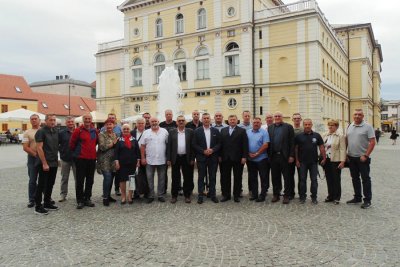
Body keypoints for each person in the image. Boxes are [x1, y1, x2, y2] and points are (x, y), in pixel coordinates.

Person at [346, 109, 376, 209]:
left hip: (362, 158)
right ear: (352, 116)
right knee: (355, 178)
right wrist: (345, 154)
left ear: (363, 116)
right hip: (351, 157)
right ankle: (357, 197)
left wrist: (366, 155)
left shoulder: (368, 126)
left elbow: (372, 142)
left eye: (359, 115)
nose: (357, 116)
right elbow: (347, 140)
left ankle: (367, 200)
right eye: (355, 114)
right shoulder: (350, 125)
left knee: (365, 179)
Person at [70, 113, 98, 209]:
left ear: (91, 120)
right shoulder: (78, 130)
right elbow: (72, 144)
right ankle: (80, 200)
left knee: (90, 180)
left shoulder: (95, 131)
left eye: (89, 119)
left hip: (92, 159)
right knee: (80, 180)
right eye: (85, 118)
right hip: (81, 159)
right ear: (83, 120)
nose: (87, 120)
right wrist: (76, 155)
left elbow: (96, 142)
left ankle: (87, 198)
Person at [192, 113, 221, 204]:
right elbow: (194, 144)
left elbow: (219, 144)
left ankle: (212, 195)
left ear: (210, 119)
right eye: (204, 118)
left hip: (213, 157)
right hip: (201, 157)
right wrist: (203, 151)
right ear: (202, 119)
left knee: (212, 177)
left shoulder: (215, 131)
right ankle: (200, 195)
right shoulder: (197, 131)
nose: (206, 120)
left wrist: (212, 150)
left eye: (208, 118)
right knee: (201, 177)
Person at [295, 119, 326, 204]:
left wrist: (324, 158)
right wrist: (297, 160)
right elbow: (296, 149)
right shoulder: (299, 136)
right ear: (303, 125)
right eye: (306, 124)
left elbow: (321, 147)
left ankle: (314, 197)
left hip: (313, 162)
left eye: (309, 124)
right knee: (302, 180)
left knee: (314, 180)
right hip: (302, 162)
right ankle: (302, 197)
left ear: (312, 125)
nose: (307, 126)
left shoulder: (317, 135)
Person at [34, 114, 59, 214]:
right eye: (50, 120)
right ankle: (38, 206)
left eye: (54, 120)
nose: (53, 122)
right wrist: (44, 163)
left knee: (50, 184)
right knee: (41, 184)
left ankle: (47, 203)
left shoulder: (55, 131)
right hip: (44, 162)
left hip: (54, 162)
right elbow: (39, 148)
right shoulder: (41, 131)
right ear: (46, 121)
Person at [219, 115, 248, 203]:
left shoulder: (242, 131)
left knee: (238, 177)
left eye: (234, 119)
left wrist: (244, 156)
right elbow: (220, 145)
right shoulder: (223, 130)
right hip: (225, 158)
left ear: (237, 121)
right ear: (228, 121)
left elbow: (245, 145)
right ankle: (226, 195)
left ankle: (236, 195)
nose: (232, 121)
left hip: (238, 158)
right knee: (225, 177)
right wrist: (219, 156)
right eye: (230, 119)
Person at [268, 111, 295, 204]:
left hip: (285, 156)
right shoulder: (270, 127)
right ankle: (276, 194)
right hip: (273, 156)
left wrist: (291, 155)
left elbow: (292, 143)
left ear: (282, 117)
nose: (277, 117)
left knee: (287, 176)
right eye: (276, 116)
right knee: (275, 176)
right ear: (274, 117)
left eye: (279, 116)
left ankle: (286, 195)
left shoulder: (288, 127)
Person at [167, 115, 195, 203]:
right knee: (175, 177)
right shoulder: (172, 132)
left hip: (186, 157)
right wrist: (168, 159)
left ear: (185, 122)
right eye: (179, 120)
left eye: (183, 120)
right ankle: (174, 196)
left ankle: (187, 195)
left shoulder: (190, 131)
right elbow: (169, 147)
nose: (181, 122)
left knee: (187, 177)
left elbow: (192, 146)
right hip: (175, 158)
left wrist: (192, 158)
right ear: (176, 122)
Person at [140, 117, 169, 203]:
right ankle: (151, 195)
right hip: (149, 159)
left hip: (162, 159)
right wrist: (142, 158)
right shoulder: (146, 132)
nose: (154, 123)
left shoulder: (164, 131)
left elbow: (168, 145)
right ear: (149, 122)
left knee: (162, 178)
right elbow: (142, 146)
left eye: (155, 121)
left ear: (158, 122)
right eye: (152, 121)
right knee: (149, 178)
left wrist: (168, 158)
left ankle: (160, 195)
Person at [115, 124, 141, 204]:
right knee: (122, 180)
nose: (126, 130)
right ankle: (123, 196)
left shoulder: (134, 140)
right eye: (124, 129)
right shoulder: (119, 140)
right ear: (122, 130)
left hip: (132, 163)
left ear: (130, 130)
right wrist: (117, 162)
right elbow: (116, 152)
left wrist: (138, 161)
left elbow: (137, 152)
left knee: (131, 180)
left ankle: (130, 196)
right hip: (122, 164)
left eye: (127, 129)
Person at [322, 119, 346, 205]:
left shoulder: (340, 136)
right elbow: (322, 147)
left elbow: (343, 149)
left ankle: (336, 197)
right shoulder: (325, 135)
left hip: (336, 160)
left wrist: (342, 161)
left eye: (333, 125)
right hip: (327, 160)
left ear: (336, 126)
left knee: (336, 179)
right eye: (329, 125)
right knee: (328, 178)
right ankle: (330, 195)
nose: (330, 127)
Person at [246, 117, 270, 202]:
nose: (256, 124)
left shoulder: (264, 132)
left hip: (261, 159)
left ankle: (262, 195)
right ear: (252, 123)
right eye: (254, 122)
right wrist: (248, 153)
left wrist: (257, 153)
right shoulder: (248, 132)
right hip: (250, 159)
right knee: (253, 177)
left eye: (258, 123)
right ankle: (255, 194)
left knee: (263, 177)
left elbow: (265, 145)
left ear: (261, 123)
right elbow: (245, 144)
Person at [98, 119, 118, 206]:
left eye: (111, 124)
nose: (109, 126)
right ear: (105, 126)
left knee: (111, 179)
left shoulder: (115, 135)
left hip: (113, 160)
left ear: (114, 125)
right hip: (104, 160)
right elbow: (102, 147)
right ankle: (105, 197)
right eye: (108, 124)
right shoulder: (101, 135)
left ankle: (109, 195)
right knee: (107, 178)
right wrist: (113, 144)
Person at [101, 113, 122, 196]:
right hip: (105, 157)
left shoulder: (119, 128)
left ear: (115, 119)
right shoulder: (102, 129)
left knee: (116, 174)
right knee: (108, 177)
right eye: (110, 118)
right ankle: (106, 194)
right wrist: (113, 143)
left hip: (116, 155)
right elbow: (102, 145)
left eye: (113, 118)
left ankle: (116, 189)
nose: (111, 119)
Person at [22, 114, 41, 208]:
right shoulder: (27, 132)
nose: (34, 120)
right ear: (30, 121)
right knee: (32, 180)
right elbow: (25, 147)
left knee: (44, 180)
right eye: (32, 119)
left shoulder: (43, 130)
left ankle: (46, 198)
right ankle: (32, 199)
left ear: (39, 120)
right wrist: (36, 155)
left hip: (44, 158)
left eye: (35, 119)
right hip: (32, 159)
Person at [58, 116, 77, 202]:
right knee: (64, 178)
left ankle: (79, 194)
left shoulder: (78, 132)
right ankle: (63, 194)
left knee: (78, 178)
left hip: (76, 159)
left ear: (74, 123)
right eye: (69, 122)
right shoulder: (61, 133)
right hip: (65, 158)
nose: (70, 123)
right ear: (66, 123)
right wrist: (61, 151)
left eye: (72, 122)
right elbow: (57, 144)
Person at [159, 109, 177, 194]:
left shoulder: (176, 123)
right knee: (163, 172)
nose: (169, 115)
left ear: (172, 115)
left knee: (176, 171)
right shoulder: (161, 124)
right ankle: (164, 189)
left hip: (175, 150)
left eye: (170, 114)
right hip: (164, 149)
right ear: (165, 115)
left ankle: (178, 188)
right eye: (167, 114)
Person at [130, 117, 149, 198]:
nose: (140, 125)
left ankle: (146, 192)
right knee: (133, 175)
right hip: (134, 156)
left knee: (146, 175)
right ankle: (135, 192)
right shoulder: (132, 132)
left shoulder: (148, 132)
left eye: (142, 123)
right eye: (139, 123)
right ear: (136, 124)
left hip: (145, 156)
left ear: (145, 124)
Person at [289, 112, 303, 199]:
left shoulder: (304, 130)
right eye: (295, 118)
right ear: (292, 120)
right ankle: (291, 193)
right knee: (290, 176)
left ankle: (301, 193)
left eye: (298, 118)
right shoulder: (289, 129)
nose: (297, 120)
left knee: (301, 176)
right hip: (290, 156)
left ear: (301, 119)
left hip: (301, 156)